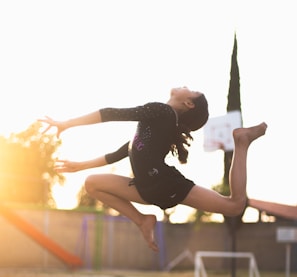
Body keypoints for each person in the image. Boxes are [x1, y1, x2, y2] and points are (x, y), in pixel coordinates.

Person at [40, 86, 267, 252]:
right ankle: (142, 220)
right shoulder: (158, 123)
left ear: (189, 103)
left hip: (166, 185)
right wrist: (80, 166)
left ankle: (242, 142)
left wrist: (67, 123)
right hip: (146, 188)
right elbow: (123, 152)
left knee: (235, 205)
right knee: (92, 183)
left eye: (192, 90)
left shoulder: (162, 112)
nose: (186, 86)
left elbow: (111, 113)